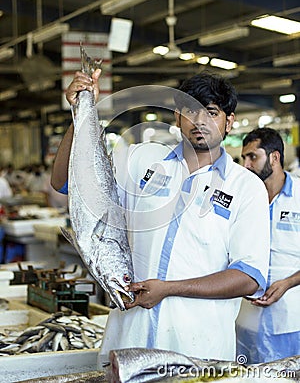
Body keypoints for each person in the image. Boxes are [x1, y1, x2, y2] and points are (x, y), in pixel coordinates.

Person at [51, 70, 270, 361]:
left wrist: (168, 289)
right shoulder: (142, 159)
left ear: (228, 121)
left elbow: (249, 277)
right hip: (128, 339)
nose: (200, 121)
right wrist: (80, 113)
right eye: (190, 110)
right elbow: (66, 182)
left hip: (197, 351)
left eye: (212, 112)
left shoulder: (246, 188)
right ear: (177, 117)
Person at [236, 127, 300, 363]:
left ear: (275, 157)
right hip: (245, 321)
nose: (246, 165)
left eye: (253, 156)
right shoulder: (243, 199)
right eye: (244, 157)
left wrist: (288, 283)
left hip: (291, 323)